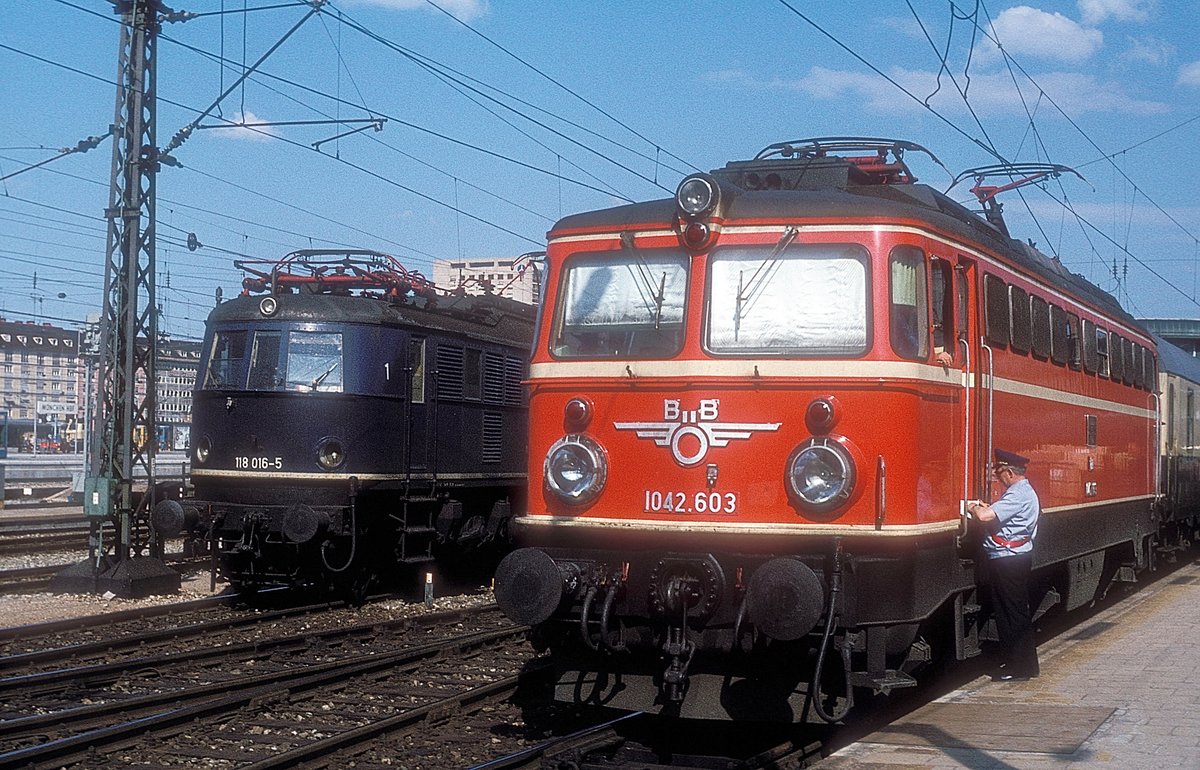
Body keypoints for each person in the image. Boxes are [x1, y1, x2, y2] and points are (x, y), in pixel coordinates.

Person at [966, 448, 1040, 681]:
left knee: (1010, 614)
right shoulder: (1025, 492)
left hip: (1008, 559)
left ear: (1009, 472)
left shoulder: (1017, 494)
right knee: (1015, 612)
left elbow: (985, 517)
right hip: (1016, 557)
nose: (998, 477)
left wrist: (973, 507)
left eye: (999, 473)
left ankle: (1018, 668)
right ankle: (1024, 665)